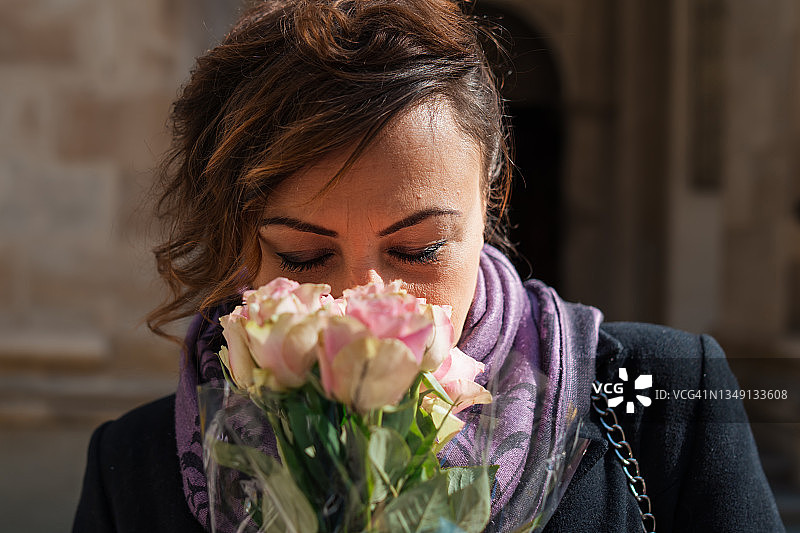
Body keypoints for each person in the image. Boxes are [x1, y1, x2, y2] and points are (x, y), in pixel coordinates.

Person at [73, 1, 785, 532]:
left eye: (418, 250)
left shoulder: (665, 402)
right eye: (303, 255)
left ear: (491, 200)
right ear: (238, 240)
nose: (361, 299)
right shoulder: (136, 469)